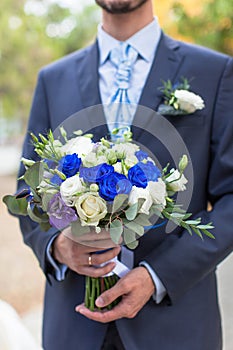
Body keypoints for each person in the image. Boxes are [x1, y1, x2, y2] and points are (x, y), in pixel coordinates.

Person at [17, 1, 233, 349]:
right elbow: (27, 194)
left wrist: (157, 276)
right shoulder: (52, 80)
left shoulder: (215, 72)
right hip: (73, 326)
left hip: (177, 327)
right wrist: (58, 247)